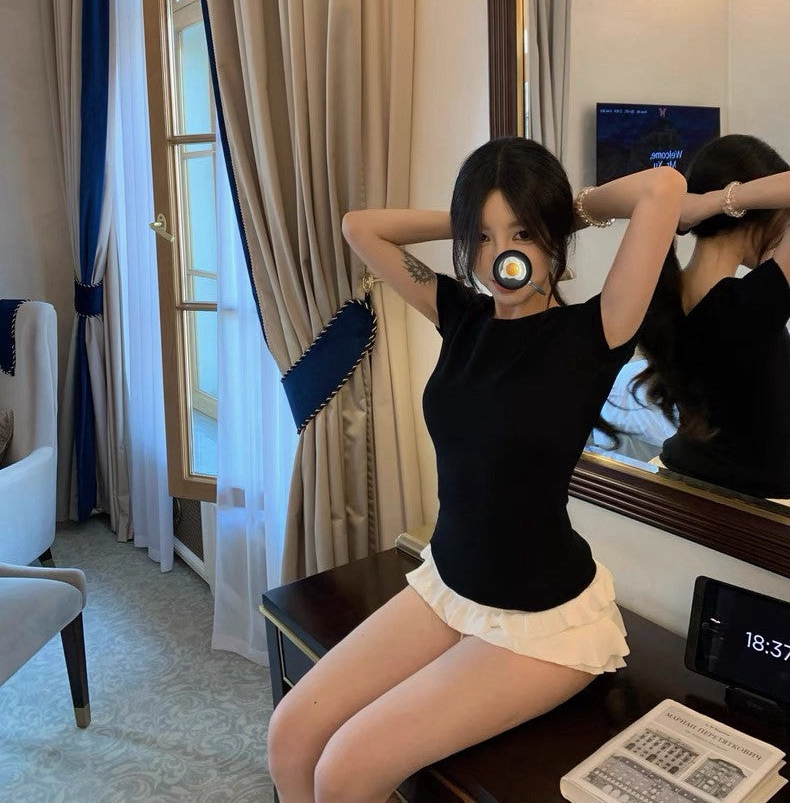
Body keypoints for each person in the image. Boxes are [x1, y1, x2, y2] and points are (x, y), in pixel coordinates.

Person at [266, 136, 685, 803]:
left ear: (552, 236)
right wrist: (469, 220)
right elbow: (359, 227)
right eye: (482, 239)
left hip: (544, 621)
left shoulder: (594, 331)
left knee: (344, 769)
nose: (500, 255)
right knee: (290, 734)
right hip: (448, 584)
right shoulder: (460, 315)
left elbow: (663, 190)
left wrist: (563, 209)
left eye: (522, 234)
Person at [635, 134, 790, 503]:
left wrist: (701, 204)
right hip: (760, 500)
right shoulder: (746, 305)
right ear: (757, 214)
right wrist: (721, 201)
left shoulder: (665, 295)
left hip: (687, 470)